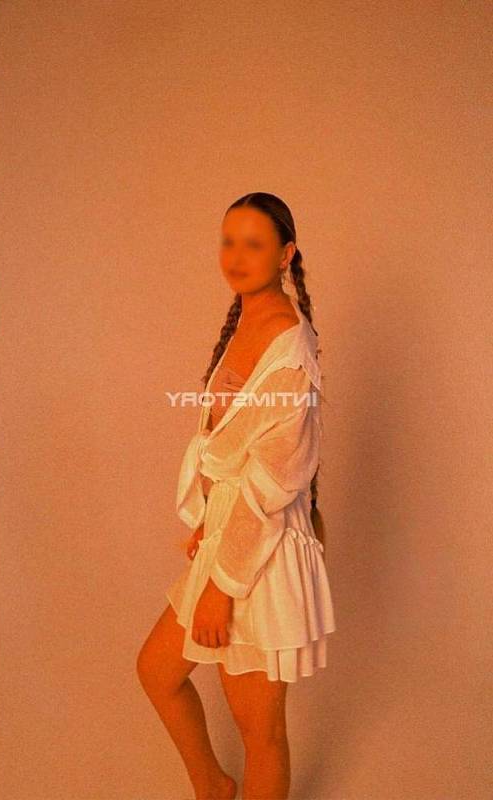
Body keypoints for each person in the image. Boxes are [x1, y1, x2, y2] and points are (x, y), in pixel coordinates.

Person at [137, 192, 336, 800]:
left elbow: (272, 483)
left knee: (261, 734)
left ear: (286, 253)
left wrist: (221, 589)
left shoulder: (288, 345)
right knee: (157, 672)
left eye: (254, 244)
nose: (236, 256)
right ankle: (214, 787)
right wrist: (210, 519)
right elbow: (230, 441)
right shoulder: (248, 317)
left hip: (259, 556)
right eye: (229, 241)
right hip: (231, 533)